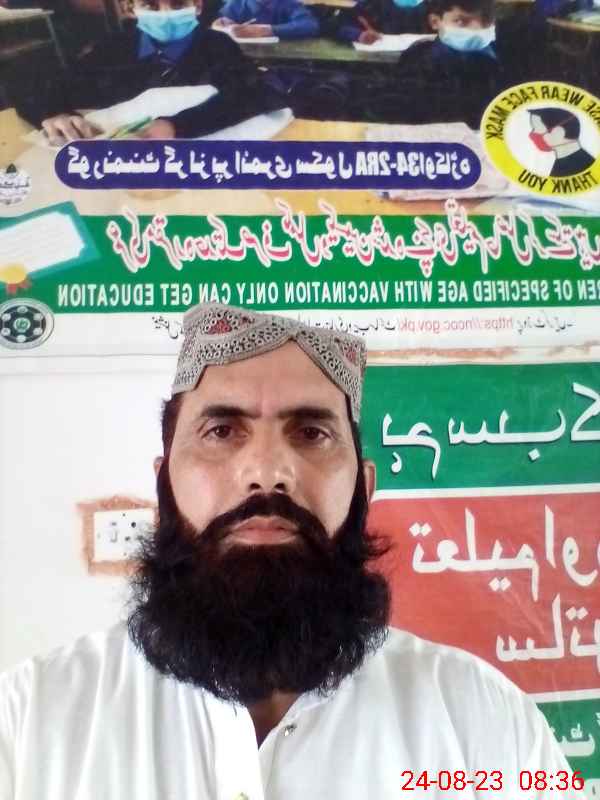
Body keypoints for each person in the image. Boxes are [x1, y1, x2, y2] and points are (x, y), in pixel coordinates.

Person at [0, 303, 571, 798]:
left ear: (364, 489)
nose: (268, 471)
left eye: (311, 433)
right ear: (163, 483)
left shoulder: (487, 722)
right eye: (222, 431)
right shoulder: (29, 721)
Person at [15, 0, 286, 144]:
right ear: (130, 8)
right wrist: (54, 113)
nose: (165, 14)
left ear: (197, 6)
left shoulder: (218, 45)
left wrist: (175, 126)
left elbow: (254, 94)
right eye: (151, 5)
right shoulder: (114, 47)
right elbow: (42, 89)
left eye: (177, 4)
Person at [357, 0, 539, 128]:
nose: (477, 30)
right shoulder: (418, 59)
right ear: (435, 22)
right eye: (461, 21)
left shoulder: (504, 63)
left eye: (486, 21)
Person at [529, 108, 596, 177]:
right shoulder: (585, 160)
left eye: (536, 128)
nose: (532, 133)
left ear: (558, 132)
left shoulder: (574, 167)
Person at [213, 0, 320, 40]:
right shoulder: (235, 4)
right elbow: (218, 24)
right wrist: (224, 28)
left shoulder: (288, 3)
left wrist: (268, 30)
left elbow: (310, 25)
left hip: (279, 62)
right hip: (243, 62)